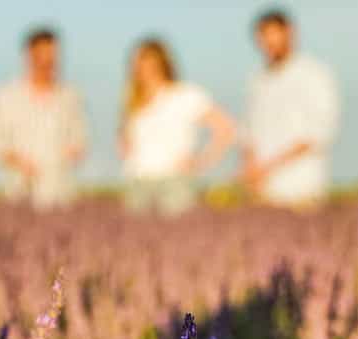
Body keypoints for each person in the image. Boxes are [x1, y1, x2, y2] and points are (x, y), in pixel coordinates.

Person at [119, 38, 236, 216]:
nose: (141, 68)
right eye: (137, 63)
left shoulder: (185, 95)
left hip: (174, 181)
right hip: (138, 181)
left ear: (162, 63)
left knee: (177, 232)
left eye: (146, 62)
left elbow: (226, 128)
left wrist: (202, 161)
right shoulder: (133, 101)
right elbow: (126, 139)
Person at [240, 8, 340, 207]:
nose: (268, 42)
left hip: (301, 186)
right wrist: (251, 167)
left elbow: (319, 133)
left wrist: (268, 167)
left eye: (273, 34)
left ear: (290, 32)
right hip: (262, 190)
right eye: (263, 36)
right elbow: (248, 129)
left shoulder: (314, 74)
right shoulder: (258, 79)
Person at [0, 27, 88, 210]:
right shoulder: (6, 97)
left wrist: (63, 157)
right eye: (41, 56)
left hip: (60, 194)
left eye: (52, 57)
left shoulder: (70, 97)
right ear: (28, 56)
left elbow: (80, 140)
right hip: (18, 191)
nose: (47, 62)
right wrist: (19, 162)